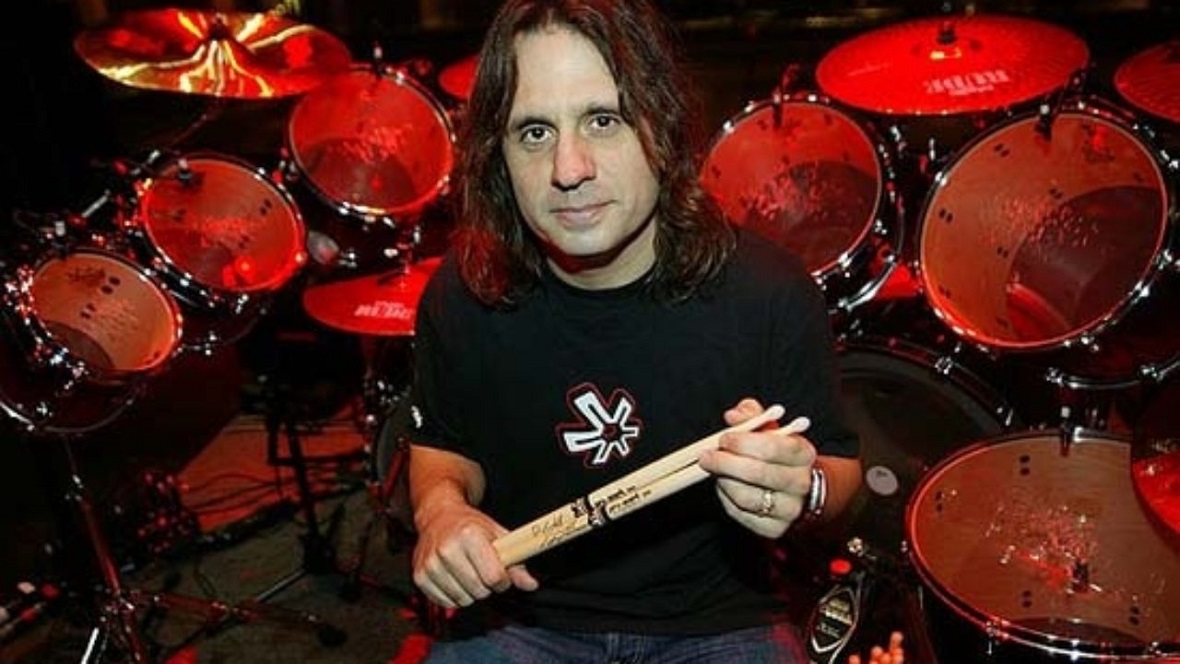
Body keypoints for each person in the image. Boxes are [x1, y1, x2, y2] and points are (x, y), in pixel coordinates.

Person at [404, 0, 862, 661]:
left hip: (718, 620)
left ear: (662, 127)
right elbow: (442, 448)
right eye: (534, 132)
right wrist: (441, 510)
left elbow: (839, 470)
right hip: (522, 615)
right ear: (498, 157)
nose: (568, 169)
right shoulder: (465, 291)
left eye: (603, 120)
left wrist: (806, 487)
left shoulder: (769, 291)